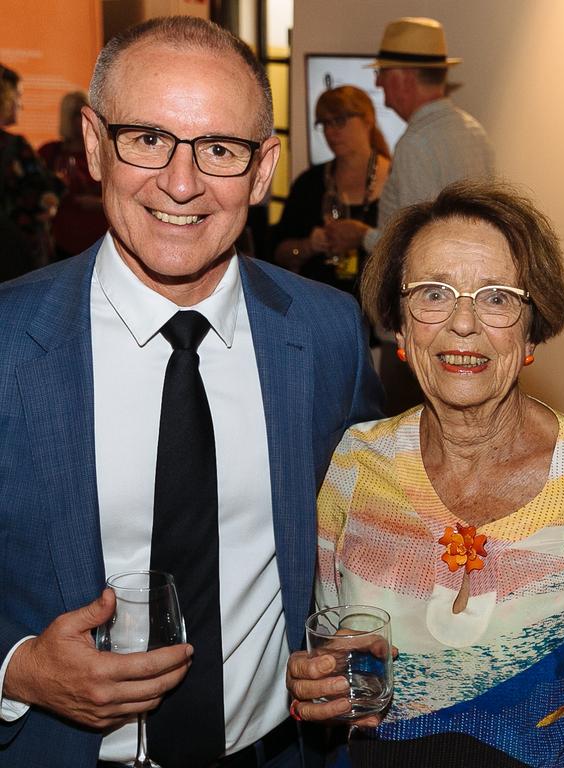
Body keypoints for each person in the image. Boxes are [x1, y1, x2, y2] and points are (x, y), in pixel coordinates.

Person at [0, 16, 381, 768]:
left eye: (219, 149)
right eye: (147, 138)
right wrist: (19, 669)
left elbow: (365, 528)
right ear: (93, 144)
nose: (181, 183)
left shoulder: (327, 332)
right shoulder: (8, 340)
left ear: (263, 167)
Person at [286, 180, 564, 768]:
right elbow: (338, 659)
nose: (463, 324)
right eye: (434, 294)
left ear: (530, 330)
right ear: (401, 327)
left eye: (495, 298)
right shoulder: (355, 465)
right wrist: (320, 685)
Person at [327, 17, 495, 416]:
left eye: (383, 75)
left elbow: (421, 245)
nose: (380, 86)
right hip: (468, 313)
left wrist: (362, 235)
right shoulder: (474, 131)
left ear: (403, 78)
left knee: (411, 437)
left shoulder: (418, 142)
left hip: (427, 320)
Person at [272, 85, 390, 296]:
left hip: (377, 310)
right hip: (316, 304)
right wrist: (308, 246)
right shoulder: (310, 182)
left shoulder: (394, 178)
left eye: (339, 121)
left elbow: (409, 249)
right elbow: (278, 252)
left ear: (367, 120)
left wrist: (363, 236)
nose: (330, 131)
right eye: (324, 123)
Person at [0, 63, 61, 279]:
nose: (20, 104)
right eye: (18, 95)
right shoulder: (15, 147)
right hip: (14, 254)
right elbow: (47, 189)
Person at [38, 91, 108, 260]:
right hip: (61, 240)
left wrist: (97, 204)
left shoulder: (102, 151)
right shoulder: (50, 152)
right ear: (66, 118)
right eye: (76, 114)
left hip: (99, 237)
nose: (81, 120)